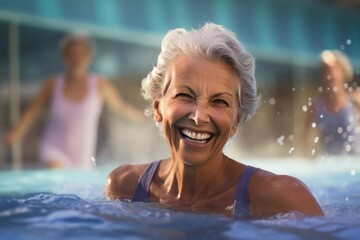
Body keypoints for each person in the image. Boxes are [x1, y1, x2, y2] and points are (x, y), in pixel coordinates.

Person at [106, 23, 324, 218]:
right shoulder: (125, 187)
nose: (199, 116)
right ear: (157, 107)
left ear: (236, 121)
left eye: (219, 101)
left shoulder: (284, 198)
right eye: (184, 95)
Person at [6, 33, 145, 168]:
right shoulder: (53, 84)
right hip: (53, 149)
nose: (76, 59)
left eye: (80, 54)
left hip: (82, 157)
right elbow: (33, 110)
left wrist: (144, 118)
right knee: (57, 171)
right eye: (72, 54)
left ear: (89, 57)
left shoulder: (100, 84)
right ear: (64, 57)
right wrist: (15, 134)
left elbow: (121, 107)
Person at [307, 50, 360, 156]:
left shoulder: (356, 100)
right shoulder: (316, 106)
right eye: (325, 70)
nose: (329, 74)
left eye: (333, 69)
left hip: (355, 162)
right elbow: (305, 139)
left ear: (343, 72)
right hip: (330, 164)